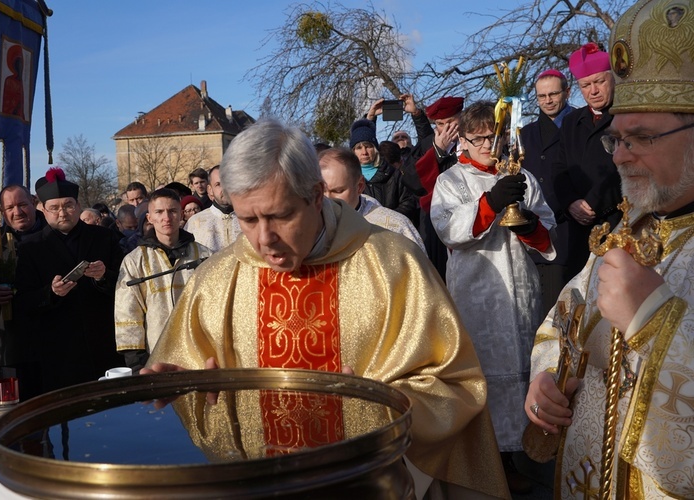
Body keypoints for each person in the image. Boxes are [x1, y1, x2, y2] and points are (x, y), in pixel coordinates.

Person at [145, 118, 509, 499]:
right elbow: (192, 385)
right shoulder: (215, 282)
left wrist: (376, 405)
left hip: (368, 484)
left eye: (281, 215)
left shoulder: (393, 264)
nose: (264, 239)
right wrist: (185, 386)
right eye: (248, 219)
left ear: (317, 196)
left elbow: (456, 384)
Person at [527, 1, 694, 497]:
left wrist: (655, 319)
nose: (620, 155)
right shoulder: (628, 228)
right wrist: (544, 379)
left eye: (641, 137)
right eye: (616, 139)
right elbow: (564, 316)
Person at [429, 100, 556, 493]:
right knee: (483, 376)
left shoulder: (523, 176)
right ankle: (488, 463)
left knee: (524, 369)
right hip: (477, 294)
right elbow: (449, 229)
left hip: (521, 291)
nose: (487, 144)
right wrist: (492, 202)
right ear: (462, 142)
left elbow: (547, 236)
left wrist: (530, 222)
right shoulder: (451, 181)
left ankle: (527, 456)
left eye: (493, 137)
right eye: (479, 138)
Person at [13, 168, 123, 394]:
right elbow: (23, 300)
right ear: (42, 209)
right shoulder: (31, 247)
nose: (62, 213)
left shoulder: (103, 237)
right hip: (59, 349)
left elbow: (126, 286)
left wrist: (104, 276)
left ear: (78, 205)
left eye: (68, 205)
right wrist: (51, 292)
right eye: (54, 207)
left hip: (104, 342)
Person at [115, 189, 211, 373]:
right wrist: (136, 363)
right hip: (155, 354)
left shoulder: (204, 255)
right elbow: (127, 312)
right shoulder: (135, 261)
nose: (166, 217)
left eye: (173, 211)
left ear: (182, 215)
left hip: (199, 353)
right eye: (159, 212)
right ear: (150, 218)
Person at [552, 42, 622, 280]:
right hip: (577, 228)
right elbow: (559, 168)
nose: (593, 90)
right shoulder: (571, 121)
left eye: (599, 82)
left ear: (612, 78)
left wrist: (593, 202)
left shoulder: (627, 115)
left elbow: (626, 166)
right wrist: (571, 202)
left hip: (617, 222)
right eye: (586, 85)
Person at [521, 69, 574, 316]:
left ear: (567, 92)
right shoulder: (526, 133)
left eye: (553, 94)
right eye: (541, 96)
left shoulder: (578, 123)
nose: (548, 100)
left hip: (570, 227)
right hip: (535, 231)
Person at [0, 185, 47, 401]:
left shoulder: (54, 234)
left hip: (53, 339)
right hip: (14, 344)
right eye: (10, 207)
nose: (18, 212)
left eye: (22, 205)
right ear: (3, 212)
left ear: (33, 202)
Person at [318, 147, 425, 252]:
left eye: (338, 191)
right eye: (321, 192)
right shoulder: (310, 227)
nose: (328, 200)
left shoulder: (395, 228)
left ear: (359, 186)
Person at [414, 96, 465, 281]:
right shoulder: (428, 144)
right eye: (440, 124)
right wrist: (437, 151)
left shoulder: (474, 139)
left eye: (451, 121)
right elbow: (412, 182)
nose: (446, 129)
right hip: (437, 225)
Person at [348, 119, 417, 223]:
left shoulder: (393, 174)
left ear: (375, 148)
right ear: (353, 151)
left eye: (368, 146)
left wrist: (387, 220)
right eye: (359, 148)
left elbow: (408, 202)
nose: (364, 152)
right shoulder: (348, 178)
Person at [183, 165, 241, 252]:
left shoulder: (250, 219)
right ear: (210, 189)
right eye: (218, 184)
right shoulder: (194, 222)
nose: (224, 188)